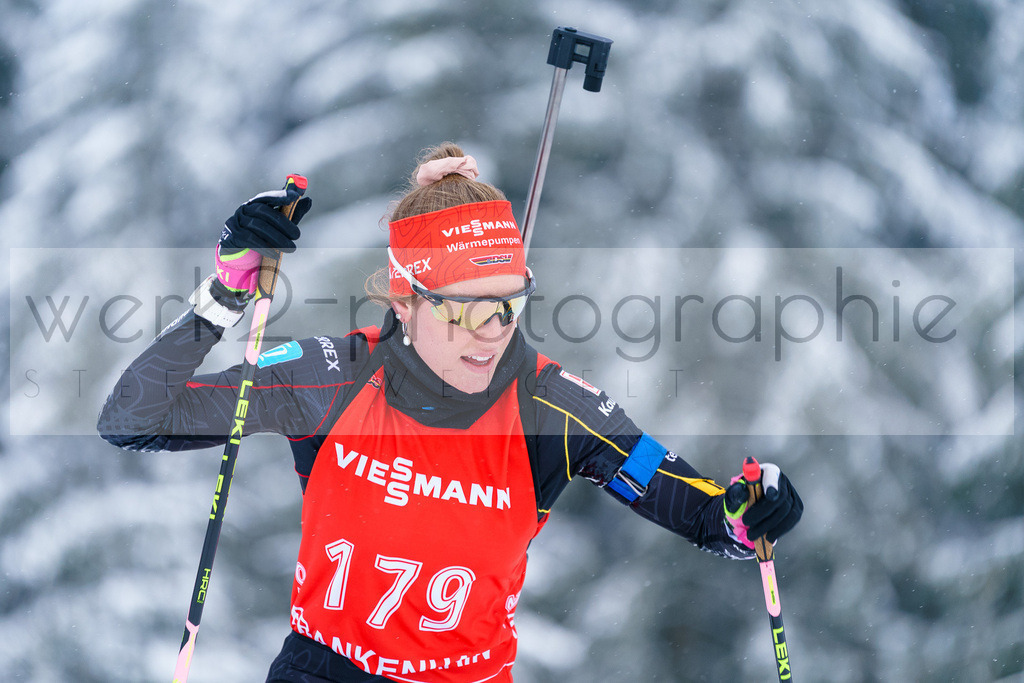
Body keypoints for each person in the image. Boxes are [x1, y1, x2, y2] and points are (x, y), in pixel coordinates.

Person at [97, 142, 802, 682]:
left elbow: (708, 513)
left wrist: (751, 508)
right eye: (464, 307)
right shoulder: (331, 375)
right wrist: (225, 293)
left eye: (509, 301)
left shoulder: (554, 407)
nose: (493, 329)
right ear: (404, 302)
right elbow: (133, 419)